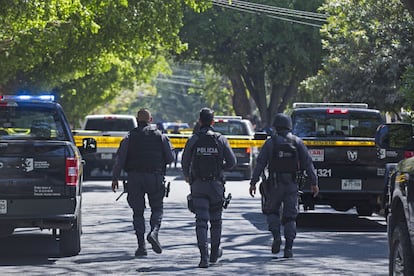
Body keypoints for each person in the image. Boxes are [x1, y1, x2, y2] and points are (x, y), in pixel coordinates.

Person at [249, 113, 319, 258]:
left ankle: (276, 237)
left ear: (275, 126)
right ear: (289, 125)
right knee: (290, 218)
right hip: (292, 185)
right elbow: (307, 163)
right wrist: (314, 182)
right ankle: (288, 249)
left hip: (274, 185)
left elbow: (260, 164)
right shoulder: (297, 142)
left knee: (272, 212)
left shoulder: (270, 143)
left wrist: (253, 182)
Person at [112, 108, 174, 257]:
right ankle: (154, 232)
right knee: (157, 208)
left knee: (138, 212)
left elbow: (120, 160)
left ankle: (141, 247)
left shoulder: (129, 137)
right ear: (150, 120)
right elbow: (171, 158)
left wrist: (115, 178)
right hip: (155, 177)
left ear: (136, 120)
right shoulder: (161, 136)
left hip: (134, 178)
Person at [181, 108, 236, 268]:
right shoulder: (220, 139)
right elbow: (232, 162)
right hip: (216, 186)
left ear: (199, 121)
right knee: (216, 222)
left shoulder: (194, 139)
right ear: (213, 122)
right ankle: (213, 255)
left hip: (198, 185)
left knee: (201, 222)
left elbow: (184, 161)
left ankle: (203, 258)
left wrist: (187, 175)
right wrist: (220, 168)